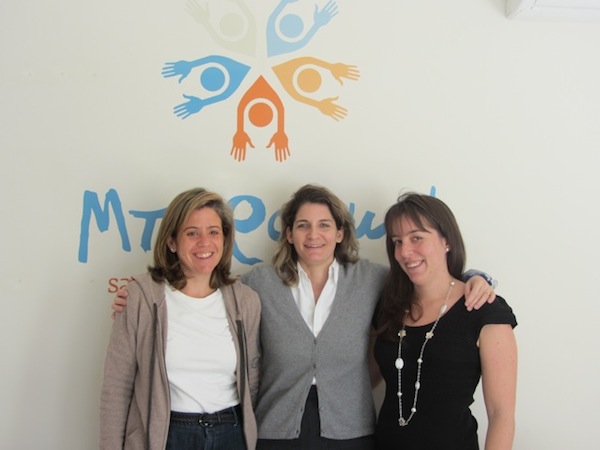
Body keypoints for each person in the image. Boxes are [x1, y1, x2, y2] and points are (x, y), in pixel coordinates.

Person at [111, 184, 495, 450]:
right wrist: (142, 294)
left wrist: (475, 278)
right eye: (303, 225)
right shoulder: (258, 283)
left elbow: (425, 279)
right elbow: (206, 287)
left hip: (352, 434)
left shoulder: (372, 280)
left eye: (325, 224)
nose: (315, 235)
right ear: (289, 235)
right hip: (275, 433)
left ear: (341, 233)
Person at [100, 188, 261, 450]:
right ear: (172, 241)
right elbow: (117, 387)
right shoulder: (141, 297)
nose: (205, 242)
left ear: (225, 239)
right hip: (166, 434)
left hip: (231, 434)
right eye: (192, 233)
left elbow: (253, 379)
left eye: (213, 232)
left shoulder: (245, 301)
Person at [372, 193, 517, 450]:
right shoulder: (389, 306)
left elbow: (501, 416)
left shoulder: (484, 310)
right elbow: (365, 378)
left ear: (446, 241)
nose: (405, 252)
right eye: (397, 241)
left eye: (417, 238)